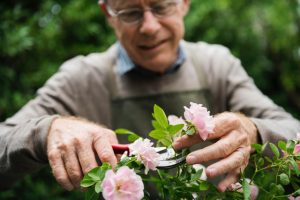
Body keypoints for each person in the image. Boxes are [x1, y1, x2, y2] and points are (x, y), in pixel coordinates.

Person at [1, 0, 300, 196]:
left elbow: (292, 131)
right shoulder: (80, 79)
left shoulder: (217, 65)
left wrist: (255, 132)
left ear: (183, 3)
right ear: (109, 14)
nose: (149, 27)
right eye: (130, 12)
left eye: (160, 6)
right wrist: (43, 132)